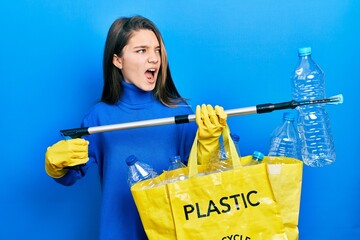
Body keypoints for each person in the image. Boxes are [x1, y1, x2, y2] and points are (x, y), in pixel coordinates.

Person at [45, 15, 227, 240]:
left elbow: (205, 178)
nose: (154, 59)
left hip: (172, 231)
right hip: (118, 232)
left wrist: (208, 143)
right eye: (141, 50)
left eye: (157, 50)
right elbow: (71, 176)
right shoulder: (99, 117)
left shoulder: (178, 111)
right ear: (117, 60)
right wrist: (56, 166)